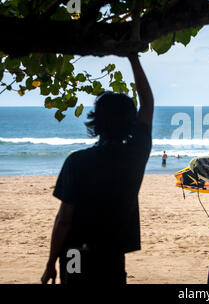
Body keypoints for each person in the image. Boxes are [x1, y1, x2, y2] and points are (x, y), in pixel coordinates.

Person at [41, 54, 153, 285]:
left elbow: (64, 219)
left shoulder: (77, 161)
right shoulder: (135, 155)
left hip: (75, 252)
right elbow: (148, 105)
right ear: (131, 121)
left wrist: (51, 262)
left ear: (96, 121)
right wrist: (134, 58)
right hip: (112, 253)